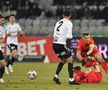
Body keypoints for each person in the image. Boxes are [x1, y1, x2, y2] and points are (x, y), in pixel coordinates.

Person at [53, 10, 80, 85]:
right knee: (70, 60)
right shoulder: (69, 23)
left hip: (54, 44)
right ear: (70, 15)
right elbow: (69, 36)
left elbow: (54, 34)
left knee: (63, 60)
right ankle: (71, 80)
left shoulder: (58, 22)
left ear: (63, 15)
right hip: (61, 44)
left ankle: (56, 76)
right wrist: (70, 36)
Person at [0, 14, 6, 83]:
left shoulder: (2, 29)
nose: (3, 21)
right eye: (2, 20)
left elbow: (3, 39)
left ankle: (0, 76)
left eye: (3, 20)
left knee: (3, 64)